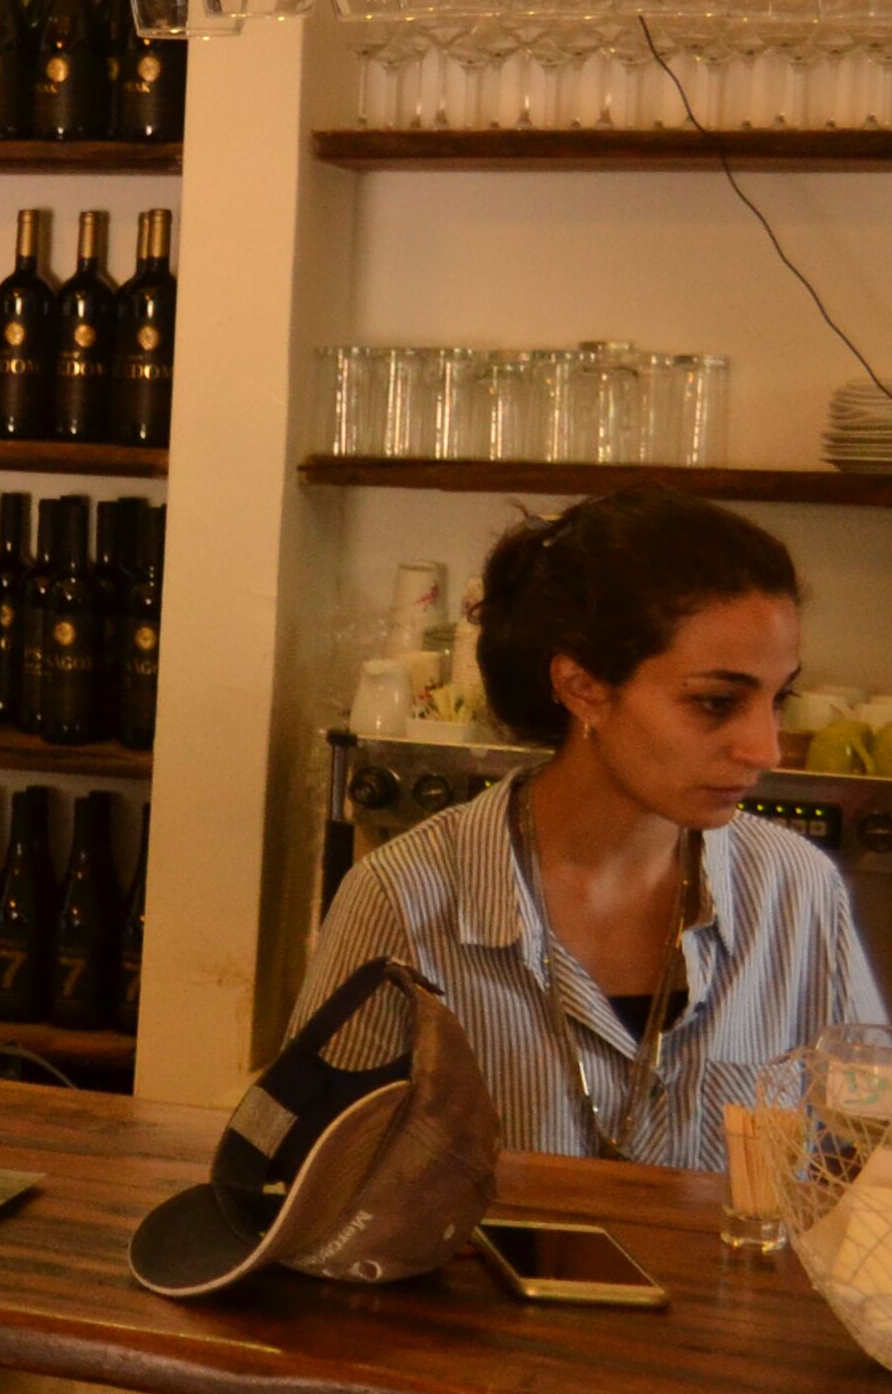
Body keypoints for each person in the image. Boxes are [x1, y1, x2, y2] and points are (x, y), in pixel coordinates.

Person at [296, 489, 883, 1167]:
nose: (764, 749)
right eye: (716, 702)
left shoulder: (798, 893)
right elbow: (313, 1185)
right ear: (582, 688)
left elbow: (868, 1151)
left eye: (777, 699)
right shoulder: (402, 899)